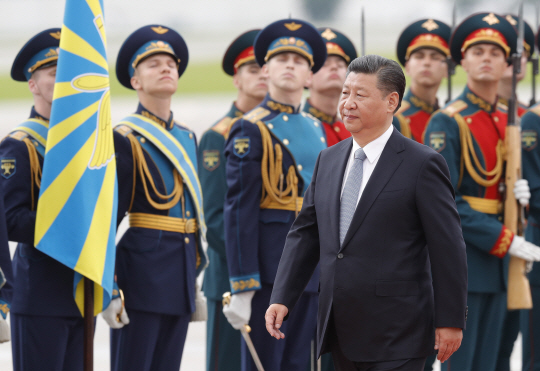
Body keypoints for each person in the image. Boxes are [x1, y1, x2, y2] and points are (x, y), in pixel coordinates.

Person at [265, 54, 468, 371]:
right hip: (340, 327)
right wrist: (282, 296)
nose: (348, 103)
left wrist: (450, 319)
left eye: (360, 95)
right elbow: (305, 233)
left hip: (398, 331)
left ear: (391, 101)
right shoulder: (329, 159)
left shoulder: (422, 164)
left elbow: (448, 246)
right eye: (346, 93)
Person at [423, 13, 540, 371]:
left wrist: (519, 200)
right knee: (464, 363)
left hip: (501, 262)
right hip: (468, 261)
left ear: (509, 63)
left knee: (492, 363)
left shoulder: (507, 119)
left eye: (495, 51)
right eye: (477, 51)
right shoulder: (448, 121)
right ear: (462, 61)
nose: (486, 58)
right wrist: (504, 238)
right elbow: (444, 202)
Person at [222, 18, 327, 371]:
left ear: (310, 76)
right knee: (266, 363)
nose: (290, 66)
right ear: (266, 69)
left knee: (300, 362)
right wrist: (242, 285)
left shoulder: (316, 127)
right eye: (281, 60)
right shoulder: (250, 127)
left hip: (311, 267)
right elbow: (239, 211)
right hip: (270, 271)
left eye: (299, 62)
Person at [108, 24, 207, 371]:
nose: (166, 68)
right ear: (135, 81)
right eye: (153, 64)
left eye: (170, 63)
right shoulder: (124, 137)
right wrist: (108, 283)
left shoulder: (187, 136)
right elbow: (109, 216)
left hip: (180, 273)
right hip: (140, 275)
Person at [0, 28, 90, 371]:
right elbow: (10, 219)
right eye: (54, 74)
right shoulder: (19, 145)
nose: (64, 81)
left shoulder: (86, 143)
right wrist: (67, 225)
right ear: (33, 85)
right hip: (40, 291)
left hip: (82, 288)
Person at [198, 28, 267, 371]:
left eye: (265, 68)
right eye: (253, 70)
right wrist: (255, 264)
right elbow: (214, 218)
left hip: (271, 273)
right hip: (230, 275)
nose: (262, 76)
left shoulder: (277, 129)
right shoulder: (219, 134)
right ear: (236, 79)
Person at [495, 14, 535, 371]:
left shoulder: (524, 115)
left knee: (505, 352)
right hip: (488, 244)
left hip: (518, 244)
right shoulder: (458, 119)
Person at [393, 19, 451, 143]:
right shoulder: (394, 119)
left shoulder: (449, 117)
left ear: (447, 69)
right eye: (419, 56)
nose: (426, 63)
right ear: (407, 67)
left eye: (435, 57)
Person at [304, 27, 356, 146]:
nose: (334, 67)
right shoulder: (299, 129)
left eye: (340, 64)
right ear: (307, 76)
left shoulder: (351, 131)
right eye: (325, 64)